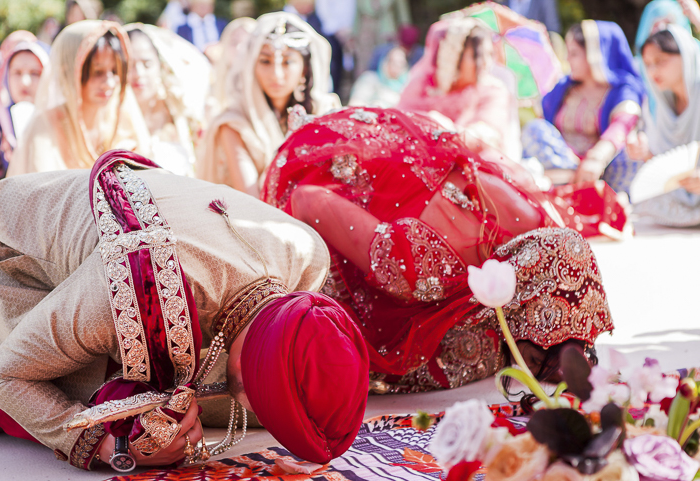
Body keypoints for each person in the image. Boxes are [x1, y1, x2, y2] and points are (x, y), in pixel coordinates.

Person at [0, 150, 369, 470]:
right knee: (128, 415)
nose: (249, 408)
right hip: (8, 248)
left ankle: (1, 415)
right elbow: (5, 375)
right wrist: (108, 447)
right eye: (253, 389)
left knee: (184, 405)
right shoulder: (139, 294)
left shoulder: (306, 256)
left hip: (130, 263)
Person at [262, 108, 614, 392]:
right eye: (536, 361)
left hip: (408, 194)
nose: (529, 369)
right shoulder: (415, 262)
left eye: (536, 365)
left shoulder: (529, 233)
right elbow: (304, 199)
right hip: (327, 168)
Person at [198, 12, 339, 198]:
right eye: (265, 61)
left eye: (288, 61)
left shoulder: (325, 111)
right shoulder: (233, 123)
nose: (276, 74)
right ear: (251, 65)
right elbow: (252, 200)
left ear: (305, 67)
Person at [7, 21, 148, 175]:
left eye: (114, 71)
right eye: (97, 72)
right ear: (69, 71)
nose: (108, 83)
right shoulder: (46, 126)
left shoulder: (123, 120)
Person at [521, 21, 645, 196]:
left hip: (602, 171)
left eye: (573, 53)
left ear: (596, 55)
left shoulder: (622, 91)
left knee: (629, 150)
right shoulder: (565, 87)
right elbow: (544, 125)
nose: (567, 60)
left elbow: (623, 125)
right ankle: (571, 183)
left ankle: (592, 192)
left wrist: (595, 159)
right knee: (534, 129)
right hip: (562, 166)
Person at [397, 19, 520, 160]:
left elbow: (487, 137)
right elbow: (398, 124)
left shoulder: (493, 91)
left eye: (490, 54)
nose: (487, 63)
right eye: (478, 55)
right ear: (454, 55)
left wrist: (445, 130)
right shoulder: (422, 84)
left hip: (471, 166)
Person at [629, 27, 700, 226]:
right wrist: (645, 152)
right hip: (684, 195)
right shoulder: (661, 106)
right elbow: (664, 168)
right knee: (644, 202)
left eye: (660, 62)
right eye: (648, 65)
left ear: (686, 55)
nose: (653, 72)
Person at [124, 24, 209, 177]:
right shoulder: (113, 120)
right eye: (130, 65)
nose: (138, 73)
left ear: (159, 65)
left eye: (147, 64)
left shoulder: (179, 111)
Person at [0, 35, 49, 186]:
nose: (25, 82)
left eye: (35, 73)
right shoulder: (0, 123)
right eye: (17, 73)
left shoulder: (61, 119)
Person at [207, 16, 255, 118]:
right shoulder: (211, 81)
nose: (239, 49)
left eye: (246, 43)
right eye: (234, 42)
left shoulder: (264, 85)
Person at [352, 0, 411, 76]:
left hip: (386, 31)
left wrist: (406, 35)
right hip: (366, 33)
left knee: (386, 60)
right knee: (364, 63)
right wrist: (354, 35)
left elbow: (402, 14)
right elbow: (357, 14)